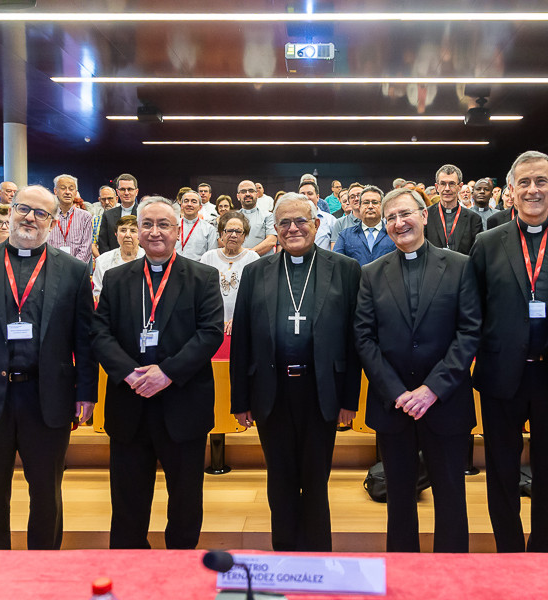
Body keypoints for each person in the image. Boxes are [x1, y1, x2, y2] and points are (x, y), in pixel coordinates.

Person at [0, 184, 97, 550]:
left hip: (48, 399)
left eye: (41, 213)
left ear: (53, 222)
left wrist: (86, 393)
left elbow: (84, 340)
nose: (30, 218)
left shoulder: (73, 271)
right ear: (9, 211)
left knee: (47, 495)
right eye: (24, 208)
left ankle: (43, 571)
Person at [469, 150, 548, 553]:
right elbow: (475, 311)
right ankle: (508, 552)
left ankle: (544, 553)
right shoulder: (486, 243)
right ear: (510, 191)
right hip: (501, 376)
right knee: (502, 472)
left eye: (541, 181)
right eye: (523, 183)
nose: (533, 190)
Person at [230, 192, 361, 552]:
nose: (293, 228)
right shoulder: (255, 272)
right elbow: (240, 337)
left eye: (300, 220)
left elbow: (355, 340)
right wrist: (240, 398)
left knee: (317, 479)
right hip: (272, 391)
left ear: (316, 224)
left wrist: (350, 399)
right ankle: (285, 552)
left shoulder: (345, 269)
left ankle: (318, 554)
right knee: (280, 478)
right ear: (274, 229)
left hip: (323, 391)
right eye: (284, 223)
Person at [91, 196, 223, 550]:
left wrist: (166, 372)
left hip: (182, 403)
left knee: (184, 501)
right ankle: (131, 568)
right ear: (135, 230)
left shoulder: (203, 277)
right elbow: (99, 333)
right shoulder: (117, 279)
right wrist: (128, 373)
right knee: (128, 501)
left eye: (163, 224)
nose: (154, 232)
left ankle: (180, 568)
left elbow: (210, 333)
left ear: (177, 230)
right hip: (129, 402)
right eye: (146, 224)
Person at [355, 188, 481, 552]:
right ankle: (402, 576)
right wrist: (397, 392)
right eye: (390, 217)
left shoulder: (460, 265)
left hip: (445, 402)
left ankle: (449, 578)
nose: (399, 223)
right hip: (392, 405)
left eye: (405, 213)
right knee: (399, 501)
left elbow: (469, 332)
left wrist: (432, 389)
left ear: (424, 215)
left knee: (451, 500)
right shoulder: (371, 274)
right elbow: (363, 339)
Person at [200, 211, 259, 335]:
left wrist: (240, 318)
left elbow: (257, 297)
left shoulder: (253, 258)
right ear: (222, 233)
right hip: (212, 324)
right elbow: (201, 295)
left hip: (243, 324)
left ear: (244, 236)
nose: (233, 235)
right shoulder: (208, 257)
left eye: (238, 231)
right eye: (229, 230)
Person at [425, 164, 482, 255]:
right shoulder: (426, 215)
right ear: (437, 187)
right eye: (443, 184)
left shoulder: (474, 219)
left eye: (451, 184)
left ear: (460, 186)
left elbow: (476, 254)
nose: (447, 189)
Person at [334, 185, 396, 266]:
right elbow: (336, 263)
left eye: (375, 202)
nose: (370, 206)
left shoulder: (393, 233)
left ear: (382, 206)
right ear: (359, 207)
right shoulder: (345, 235)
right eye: (366, 203)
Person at [92, 215, 144, 300]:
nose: (127, 235)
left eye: (133, 231)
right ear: (116, 234)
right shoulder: (102, 261)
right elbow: (99, 293)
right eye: (123, 230)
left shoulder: (149, 259)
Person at [47, 174, 93, 264]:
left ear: (75, 193)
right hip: (50, 266)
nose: (67, 192)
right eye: (63, 188)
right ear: (55, 191)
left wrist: (74, 267)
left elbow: (86, 248)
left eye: (71, 189)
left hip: (76, 269)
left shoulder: (86, 217)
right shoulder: (47, 215)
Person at [98, 174, 140, 254]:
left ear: (136, 191)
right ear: (117, 192)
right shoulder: (108, 215)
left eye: (130, 189)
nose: (126, 193)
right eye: (123, 189)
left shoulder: (144, 214)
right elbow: (103, 244)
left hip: (139, 262)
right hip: (113, 262)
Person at [237, 179, 276, 256]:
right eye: (243, 191)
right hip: (237, 262)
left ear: (257, 194)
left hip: (263, 263)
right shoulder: (233, 218)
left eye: (251, 191)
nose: (247, 194)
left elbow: (271, 241)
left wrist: (249, 254)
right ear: (238, 196)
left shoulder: (268, 216)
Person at [175, 191, 218, 261]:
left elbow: (211, 257)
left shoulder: (209, 229)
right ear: (181, 205)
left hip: (198, 269)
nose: (189, 204)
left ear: (200, 207)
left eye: (194, 202)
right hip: (174, 267)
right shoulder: (173, 226)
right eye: (186, 201)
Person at [299, 180, 336, 250]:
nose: (306, 197)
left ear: (317, 197)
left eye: (310, 193)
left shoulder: (330, 220)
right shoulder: (292, 221)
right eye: (302, 194)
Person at [330, 182, 363, 247]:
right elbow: (335, 253)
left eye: (359, 195)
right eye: (352, 197)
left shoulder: (376, 220)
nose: (356, 199)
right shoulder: (339, 223)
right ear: (349, 201)